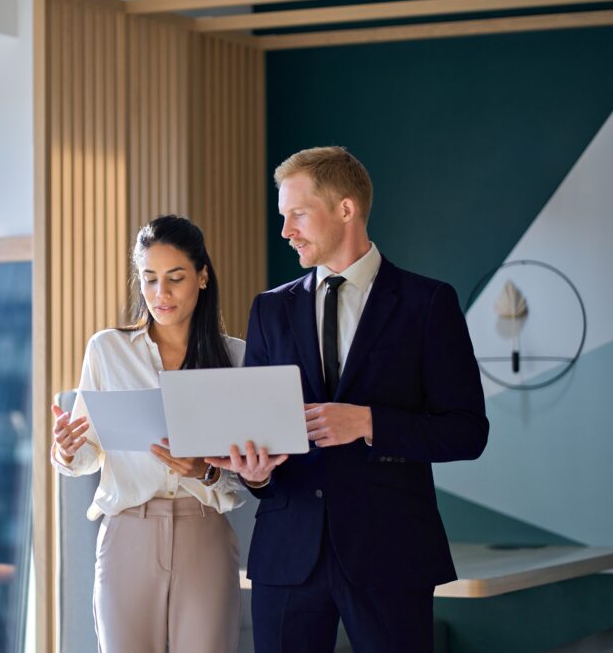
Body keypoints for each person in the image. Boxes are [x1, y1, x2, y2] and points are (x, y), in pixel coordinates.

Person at [208, 147, 489, 652]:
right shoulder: (270, 309)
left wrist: (368, 422)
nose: (286, 230)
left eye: (297, 213)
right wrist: (256, 472)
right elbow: (258, 432)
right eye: (283, 217)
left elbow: (468, 431)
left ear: (345, 209)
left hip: (391, 552)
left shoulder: (427, 303)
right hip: (288, 555)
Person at [51, 214, 245, 653]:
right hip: (127, 536)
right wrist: (66, 449)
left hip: (205, 535)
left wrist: (206, 471)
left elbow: (245, 475)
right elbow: (86, 456)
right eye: (150, 279)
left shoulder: (236, 357)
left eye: (175, 278)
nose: (162, 294)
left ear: (202, 276)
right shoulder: (107, 350)